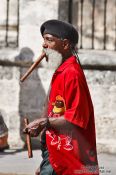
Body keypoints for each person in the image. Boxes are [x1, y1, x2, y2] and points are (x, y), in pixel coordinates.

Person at [24, 19, 99, 175]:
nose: (44, 45)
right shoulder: (61, 71)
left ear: (65, 45)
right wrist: (47, 160)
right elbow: (53, 109)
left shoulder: (72, 74)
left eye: (49, 40)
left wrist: (44, 123)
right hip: (56, 156)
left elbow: (76, 119)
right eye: (44, 40)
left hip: (70, 160)